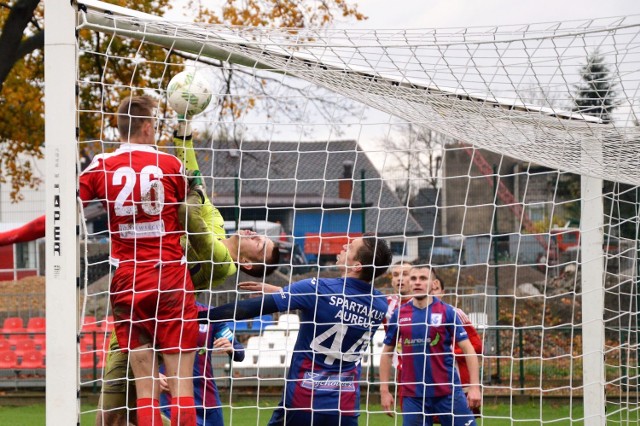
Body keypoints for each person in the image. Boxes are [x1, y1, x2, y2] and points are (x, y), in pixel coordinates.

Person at [97, 115, 279, 426]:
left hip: (153, 330)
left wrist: (188, 185)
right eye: (261, 235)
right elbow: (198, 187)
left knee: (118, 417)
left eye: (260, 244)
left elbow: (189, 213)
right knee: (109, 419)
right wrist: (184, 135)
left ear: (248, 264)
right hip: (133, 316)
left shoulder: (221, 263)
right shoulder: (219, 222)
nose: (254, 234)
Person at [79, 95, 198, 426]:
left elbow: (60, 212)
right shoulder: (171, 165)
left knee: (145, 390)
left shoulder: (102, 165)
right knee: (181, 386)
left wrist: (7, 236)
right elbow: (194, 209)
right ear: (147, 126)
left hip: (129, 282)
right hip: (171, 277)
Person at [203, 234, 393, 426]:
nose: (344, 246)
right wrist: (283, 291)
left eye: (350, 247)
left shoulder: (317, 288)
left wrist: (199, 316)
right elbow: (340, 306)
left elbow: (250, 308)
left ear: (357, 266)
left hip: (304, 400)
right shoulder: (379, 304)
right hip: (345, 406)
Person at [380, 264, 481, 426]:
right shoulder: (399, 314)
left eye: (423, 278)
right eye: (413, 278)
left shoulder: (447, 312)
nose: (417, 282)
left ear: (433, 284)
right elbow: (386, 353)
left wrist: (474, 386)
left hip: (448, 391)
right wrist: (384, 391)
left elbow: (469, 349)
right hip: (413, 395)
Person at [159, 302, 246, 426]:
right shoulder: (158, 312)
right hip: (171, 398)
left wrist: (231, 347)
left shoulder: (210, 313)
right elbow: (141, 352)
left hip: (207, 400)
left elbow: (239, 352)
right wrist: (154, 374)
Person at [430, 276, 483, 419]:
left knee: (462, 420)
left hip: (460, 381)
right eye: (431, 290)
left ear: (443, 292)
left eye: (436, 289)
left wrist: (451, 353)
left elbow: (477, 346)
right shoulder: (417, 316)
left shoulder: (456, 313)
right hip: (432, 381)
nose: (433, 293)